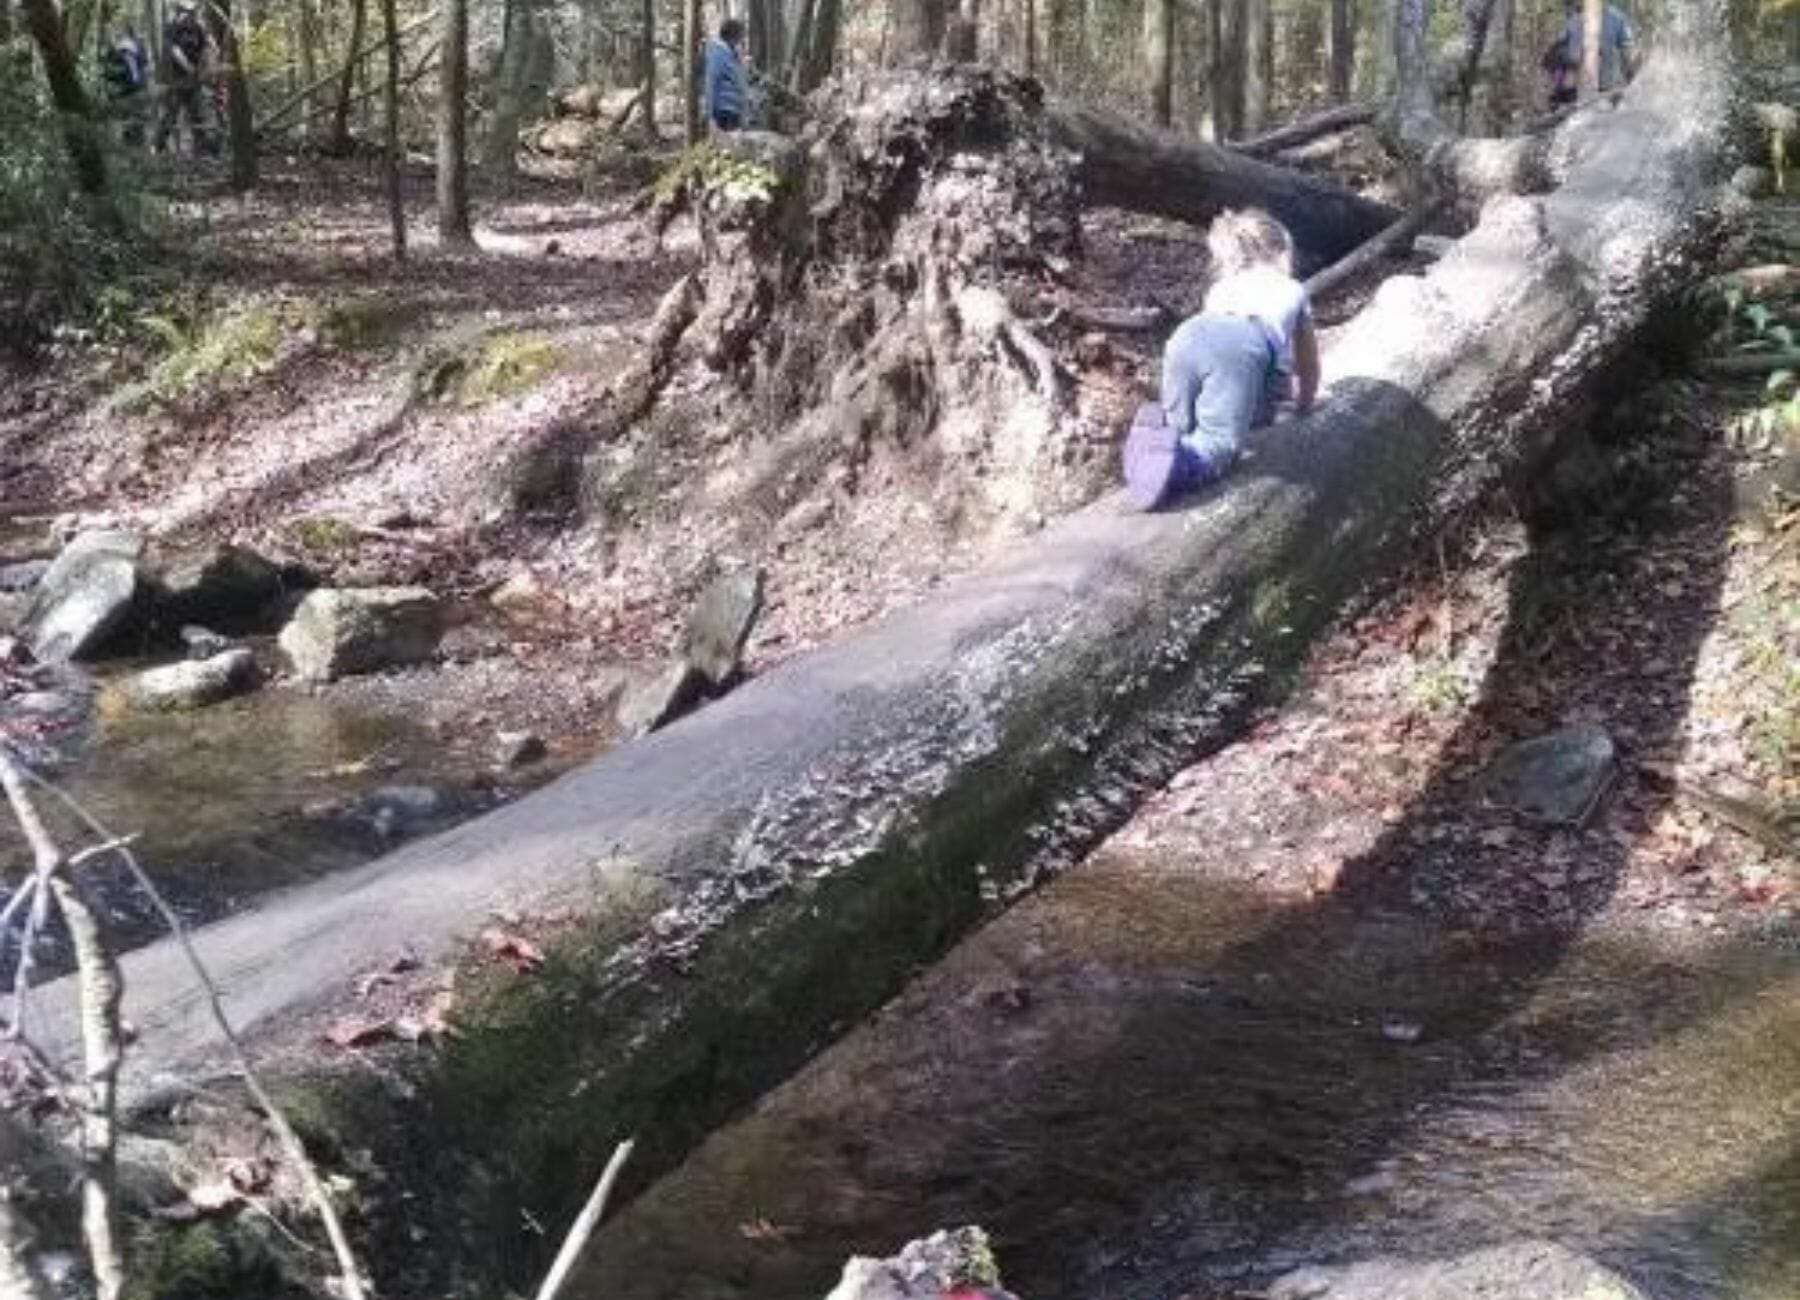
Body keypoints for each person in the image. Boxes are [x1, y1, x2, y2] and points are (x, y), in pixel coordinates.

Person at [1122, 209, 1322, 511]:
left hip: (1187, 335)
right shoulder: (1293, 290)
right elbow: (1306, 365)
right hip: (1242, 342)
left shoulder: (1220, 289)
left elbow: (1222, 369)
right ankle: (1176, 470)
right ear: (1281, 253)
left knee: (1182, 423)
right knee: (1219, 443)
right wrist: (1305, 402)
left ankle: (1155, 447)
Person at [1544, 0, 1637, 107]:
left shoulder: (1615, 18)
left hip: (1601, 86)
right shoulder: (1575, 20)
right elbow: (1627, 52)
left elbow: (1626, 52)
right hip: (1588, 87)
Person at [155, 0, 217, 156]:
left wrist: (203, 69)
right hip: (177, 79)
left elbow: (205, 48)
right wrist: (188, 67)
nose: (190, 14)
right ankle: (157, 147)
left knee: (197, 114)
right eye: (188, 11)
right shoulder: (172, 26)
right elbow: (173, 50)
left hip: (193, 79)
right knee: (171, 115)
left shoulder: (198, 28)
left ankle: (201, 149)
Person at [100, 26, 150, 147]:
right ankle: (136, 151)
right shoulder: (131, 49)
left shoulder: (124, 51)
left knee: (132, 126)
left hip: (129, 93)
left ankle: (136, 152)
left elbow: (134, 75)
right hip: (131, 92)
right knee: (133, 126)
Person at [702, 18, 749, 133]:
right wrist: (709, 112)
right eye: (741, 35)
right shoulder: (718, 52)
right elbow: (711, 81)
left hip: (733, 109)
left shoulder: (730, 52)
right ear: (734, 35)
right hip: (723, 110)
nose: (742, 39)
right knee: (727, 147)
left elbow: (737, 80)